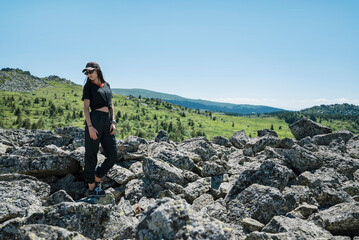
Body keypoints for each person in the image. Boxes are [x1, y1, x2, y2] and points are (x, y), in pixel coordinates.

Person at [81, 61, 118, 196]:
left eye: (91, 71)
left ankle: (97, 177)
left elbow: (111, 104)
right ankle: (92, 188)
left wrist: (113, 121)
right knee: (91, 154)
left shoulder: (106, 85)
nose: (89, 74)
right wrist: (90, 126)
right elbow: (86, 108)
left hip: (107, 121)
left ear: (97, 70)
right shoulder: (88, 86)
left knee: (113, 155)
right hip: (94, 119)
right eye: (87, 72)